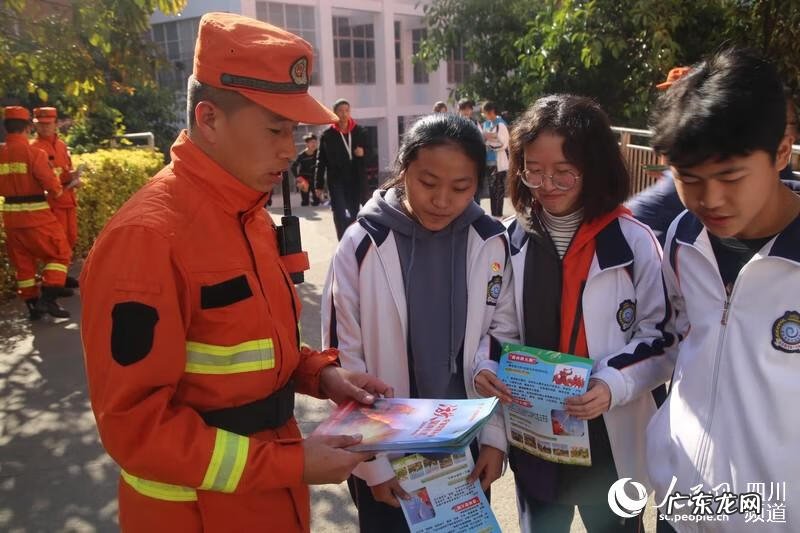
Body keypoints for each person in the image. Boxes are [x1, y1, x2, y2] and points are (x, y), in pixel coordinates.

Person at [79, 14, 392, 533]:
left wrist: (321, 375)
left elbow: (250, 349)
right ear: (209, 118)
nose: (290, 149)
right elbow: (135, 428)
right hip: (194, 513)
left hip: (265, 498)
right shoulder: (146, 239)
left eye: (293, 130)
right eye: (275, 128)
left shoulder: (245, 214)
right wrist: (293, 464)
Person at [473, 94, 673, 533]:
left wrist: (612, 383)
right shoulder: (511, 241)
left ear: (594, 168)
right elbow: (500, 330)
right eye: (534, 170)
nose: (546, 185)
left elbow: (661, 336)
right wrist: (487, 365)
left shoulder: (633, 242)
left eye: (564, 172)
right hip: (536, 431)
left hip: (609, 431)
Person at [322, 113, 516, 533]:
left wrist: (496, 439)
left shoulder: (490, 239)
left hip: (465, 446)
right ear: (404, 168)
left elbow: (501, 335)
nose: (443, 200)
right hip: (388, 450)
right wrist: (372, 466)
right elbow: (343, 359)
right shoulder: (362, 242)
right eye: (428, 183)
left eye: (461, 188)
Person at [646, 47, 800, 532]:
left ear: (781, 151)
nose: (710, 200)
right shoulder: (683, 239)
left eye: (730, 177)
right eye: (688, 178)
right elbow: (678, 339)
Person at [0, 106, 72, 319]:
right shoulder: (34, 153)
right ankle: (48, 299)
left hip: (11, 219)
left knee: (23, 265)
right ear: (28, 127)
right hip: (37, 217)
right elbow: (52, 187)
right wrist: (60, 187)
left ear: (6, 128)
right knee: (60, 253)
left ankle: (33, 307)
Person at [31, 106, 81, 289]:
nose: (44, 128)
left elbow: (65, 170)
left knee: (70, 238)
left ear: (55, 124)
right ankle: (52, 283)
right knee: (55, 244)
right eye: (40, 124)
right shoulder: (34, 148)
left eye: (48, 124)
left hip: (68, 199)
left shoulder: (61, 145)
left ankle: (63, 276)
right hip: (52, 203)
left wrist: (74, 177)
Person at [314, 98, 370, 239]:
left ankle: (352, 241)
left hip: (356, 178)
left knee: (353, 211)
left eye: (347, 110)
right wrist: (318, 184)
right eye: (341, 111)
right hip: (336, 180)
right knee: (339, 211)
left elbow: (372, 154)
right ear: (335, 113)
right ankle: (342, 241)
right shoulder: (327, 135)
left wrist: (364, 153)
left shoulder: (360, 131)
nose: (344, 114)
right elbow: (321, 161)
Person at [481, 101, 509, 218]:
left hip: (498, 162)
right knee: (492, 188)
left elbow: (504, 143)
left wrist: (489, 141)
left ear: (491, 112)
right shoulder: (486, 124)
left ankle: (498, 214)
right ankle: (493, 214)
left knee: (498, 188)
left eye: (485, 113)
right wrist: (487, 139)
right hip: (488, 161)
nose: (485, 116)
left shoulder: (501, 124)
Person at [292, 132, 320, 206]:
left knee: (317, 200)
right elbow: (293, 167)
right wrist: (298, 178)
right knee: (305, 201)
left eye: (315, 142)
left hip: (315, 179)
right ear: (307, 144)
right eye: (311, 142)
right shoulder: (302, 155)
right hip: (304, 180)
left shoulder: (319, 154)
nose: (314, 144)